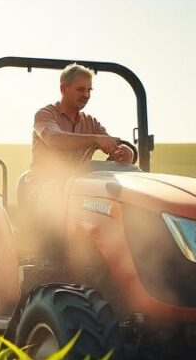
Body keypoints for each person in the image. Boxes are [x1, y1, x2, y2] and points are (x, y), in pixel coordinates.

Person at [21, 63, 131, 256]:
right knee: (56, 195)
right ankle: (52, 260)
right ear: (63, 88)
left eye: (90, 90)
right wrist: (95, 139)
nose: (86, 95)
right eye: (81, 89)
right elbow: (54, 139)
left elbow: (110, 145)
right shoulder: (45, 115)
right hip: (43, 188)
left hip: (78, 189)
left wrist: (122, 153)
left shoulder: (90, 122)